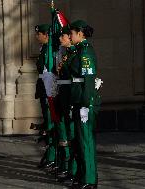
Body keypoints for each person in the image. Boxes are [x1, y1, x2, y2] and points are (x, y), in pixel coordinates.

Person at [69, 20, 100, 189]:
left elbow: (88, 80)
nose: (70, 36)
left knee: (86, 141)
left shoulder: (85, 52)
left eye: (72, 33)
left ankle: (89, 180)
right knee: (81, 141)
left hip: (85, 102)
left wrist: (86, 105)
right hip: (79, 100)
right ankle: (84, 176)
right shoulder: (80, 50)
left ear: (80, 34)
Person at [33, 24, 56, 169]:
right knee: (47, 122)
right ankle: (50, 154)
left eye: (38, 34)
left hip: (48, 88)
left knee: (50, 123)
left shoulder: (48, 49)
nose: (36, 36)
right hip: (43, 86)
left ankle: (52, 155)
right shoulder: (44, 49)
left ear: (46, 35)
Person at [56, 25, 77, 182]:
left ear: (70, 38)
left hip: (70, 96)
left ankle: (73, 169)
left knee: (72, 133)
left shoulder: (75, 54)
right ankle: (67, 166)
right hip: (63, 95)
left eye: (63, 36)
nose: (60, 39)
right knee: (64, 131)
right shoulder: (66, 53)